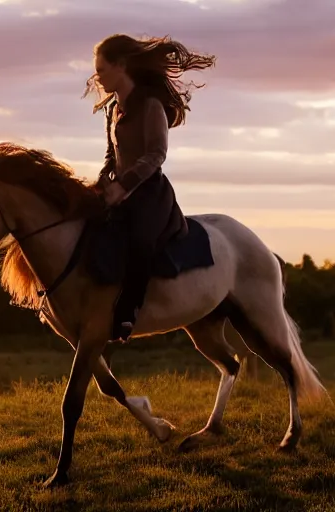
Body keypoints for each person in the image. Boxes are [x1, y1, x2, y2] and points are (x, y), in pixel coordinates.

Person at [83, 33, 216, 341]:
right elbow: (111, 155)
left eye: (101, 70)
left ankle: (128, 313)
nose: (97, 77)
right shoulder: (114, 108)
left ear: (121, 65)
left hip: (149, 194)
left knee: (139, 242)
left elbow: (156, 154)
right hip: (119, 191)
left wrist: (125, 184)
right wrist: (103, 184)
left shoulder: (151, 105)